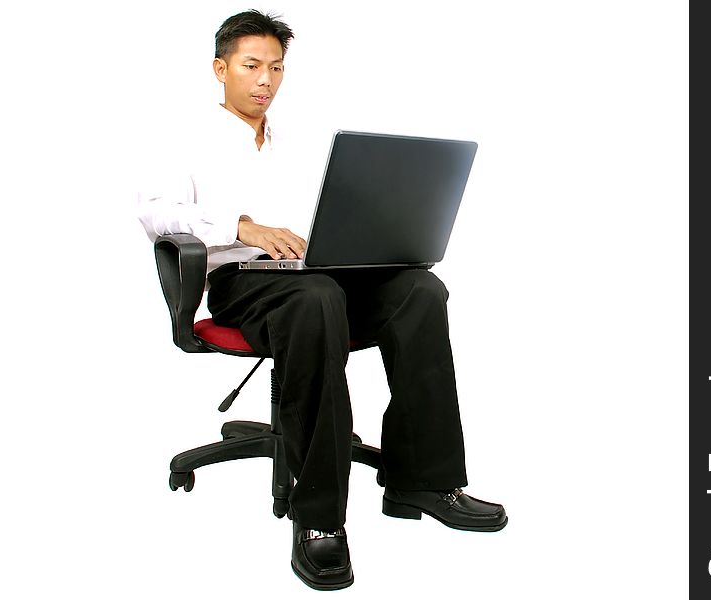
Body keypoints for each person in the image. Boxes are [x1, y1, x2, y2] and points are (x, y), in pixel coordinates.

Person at [137, 9, 507, 591]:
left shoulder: (298, 142)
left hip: (320, 273)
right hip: (245, 285)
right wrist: (242, 226)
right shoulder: (183, 136)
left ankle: (424, 480)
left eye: (276, 68)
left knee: (419, 290)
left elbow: (335, 210)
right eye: (252, 66)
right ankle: (318, 521)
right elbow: (156, 211)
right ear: (220, 68)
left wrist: (378, 234)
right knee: (315, 300)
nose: (266, 80)